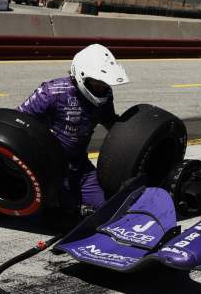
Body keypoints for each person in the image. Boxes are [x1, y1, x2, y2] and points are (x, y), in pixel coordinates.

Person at [17, 44, 128, 214]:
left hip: (79, 166)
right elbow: (16, 124)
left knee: (107, 209)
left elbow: (110, 122)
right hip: (49, 169)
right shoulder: (51, 92)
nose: (101, 88)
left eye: (104, 84)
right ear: (80, 76)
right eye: (96, 83)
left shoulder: (105, 96)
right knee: (63, 214)